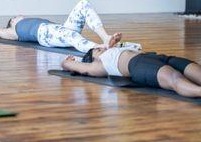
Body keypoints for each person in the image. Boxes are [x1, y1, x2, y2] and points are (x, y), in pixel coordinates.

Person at [0, 0, 128, 53]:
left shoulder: (30, 21)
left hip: (60, 29)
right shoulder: (14, 30)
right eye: (15, 17)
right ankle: (101, 48)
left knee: (83, 4)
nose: (19, 16)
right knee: (72, 37)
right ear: (12, 21)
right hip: (45, 35)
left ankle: (105, 37)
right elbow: (1, 32)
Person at [61, 47, 201, 98]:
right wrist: (68, 62)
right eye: (97, 50)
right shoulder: (97, 66)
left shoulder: (114, 49)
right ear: (93, 59)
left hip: (156, 57)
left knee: (191, 67)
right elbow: (67, 65)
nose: (101, 48)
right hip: (138, 65)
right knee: (174, 78)